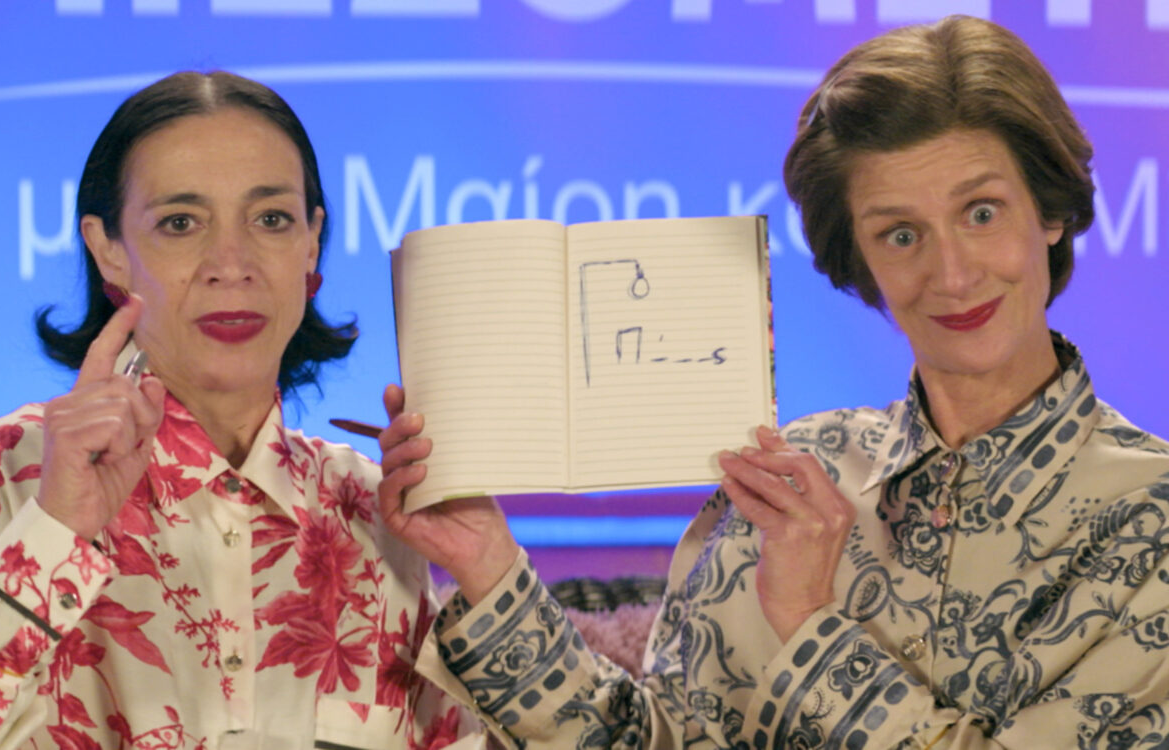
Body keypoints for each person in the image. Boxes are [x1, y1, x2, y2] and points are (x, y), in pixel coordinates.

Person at [379, 14, 1169, 749]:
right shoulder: (788, 476)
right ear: (860, 259)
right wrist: (486, 563)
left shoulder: (1150, 515)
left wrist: (807, 619)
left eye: (982, 213)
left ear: (1050, 212)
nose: (952, 273)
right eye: (901, 234)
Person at [0, 71, 485, 748]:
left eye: (271, 219)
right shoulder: (15, 469)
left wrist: (490, 570)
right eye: (180, 223)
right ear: (108, 251)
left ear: (311, 242)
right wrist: (55, 532)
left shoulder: (369, 509)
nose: (231, 263)